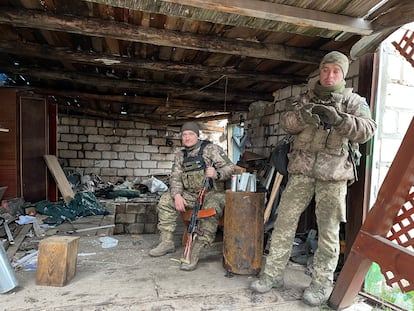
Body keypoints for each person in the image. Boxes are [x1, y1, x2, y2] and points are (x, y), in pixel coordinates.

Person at [250, 51, 377, 306]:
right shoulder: (304, 98)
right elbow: (286, 123)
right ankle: (272, 274)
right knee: (284, 222)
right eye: (325, 69)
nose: (329, 75)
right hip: (301, 172)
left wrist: (340, 120)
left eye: (336, 71)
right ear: (320, 72)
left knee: (329, 232)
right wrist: (302, 116)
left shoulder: (353, 100)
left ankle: (320, 285)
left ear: (342, 74)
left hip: (334, 175)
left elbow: (367, 130)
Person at [149, 121, 235, 271]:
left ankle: (195, 250)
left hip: (212, 193)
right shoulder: (180, 155)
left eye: (191, 134)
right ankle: (167, 242)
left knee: (211, 207)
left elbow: (230, 167)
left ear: (197, 135)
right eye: (184, 135)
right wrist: (176, 195)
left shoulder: (211, 149)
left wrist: (217, 174)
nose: (187, 137)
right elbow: (175, 178)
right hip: (190, 195)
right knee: (165, 200)